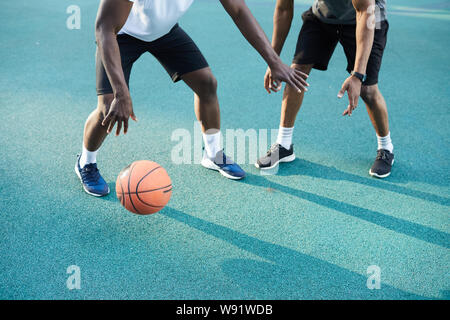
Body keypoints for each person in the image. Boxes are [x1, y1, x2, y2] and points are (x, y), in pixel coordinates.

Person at [75, 0, 309, 196]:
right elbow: (104, 29)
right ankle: (86, 162)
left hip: (163, 32)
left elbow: (238, 10)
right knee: (107, 108)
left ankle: (213, 154)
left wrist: (274, 62)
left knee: (206, 84)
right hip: (120, 36)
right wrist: (121, 91)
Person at [256, 0, 394, 178]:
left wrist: (358, 75)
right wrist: (273, 61)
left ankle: (386, 147)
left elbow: (365, 13)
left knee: (368, 90)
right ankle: (284, 144)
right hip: (323, 16)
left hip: (367, 18)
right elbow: (283, 9)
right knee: (295, 74)